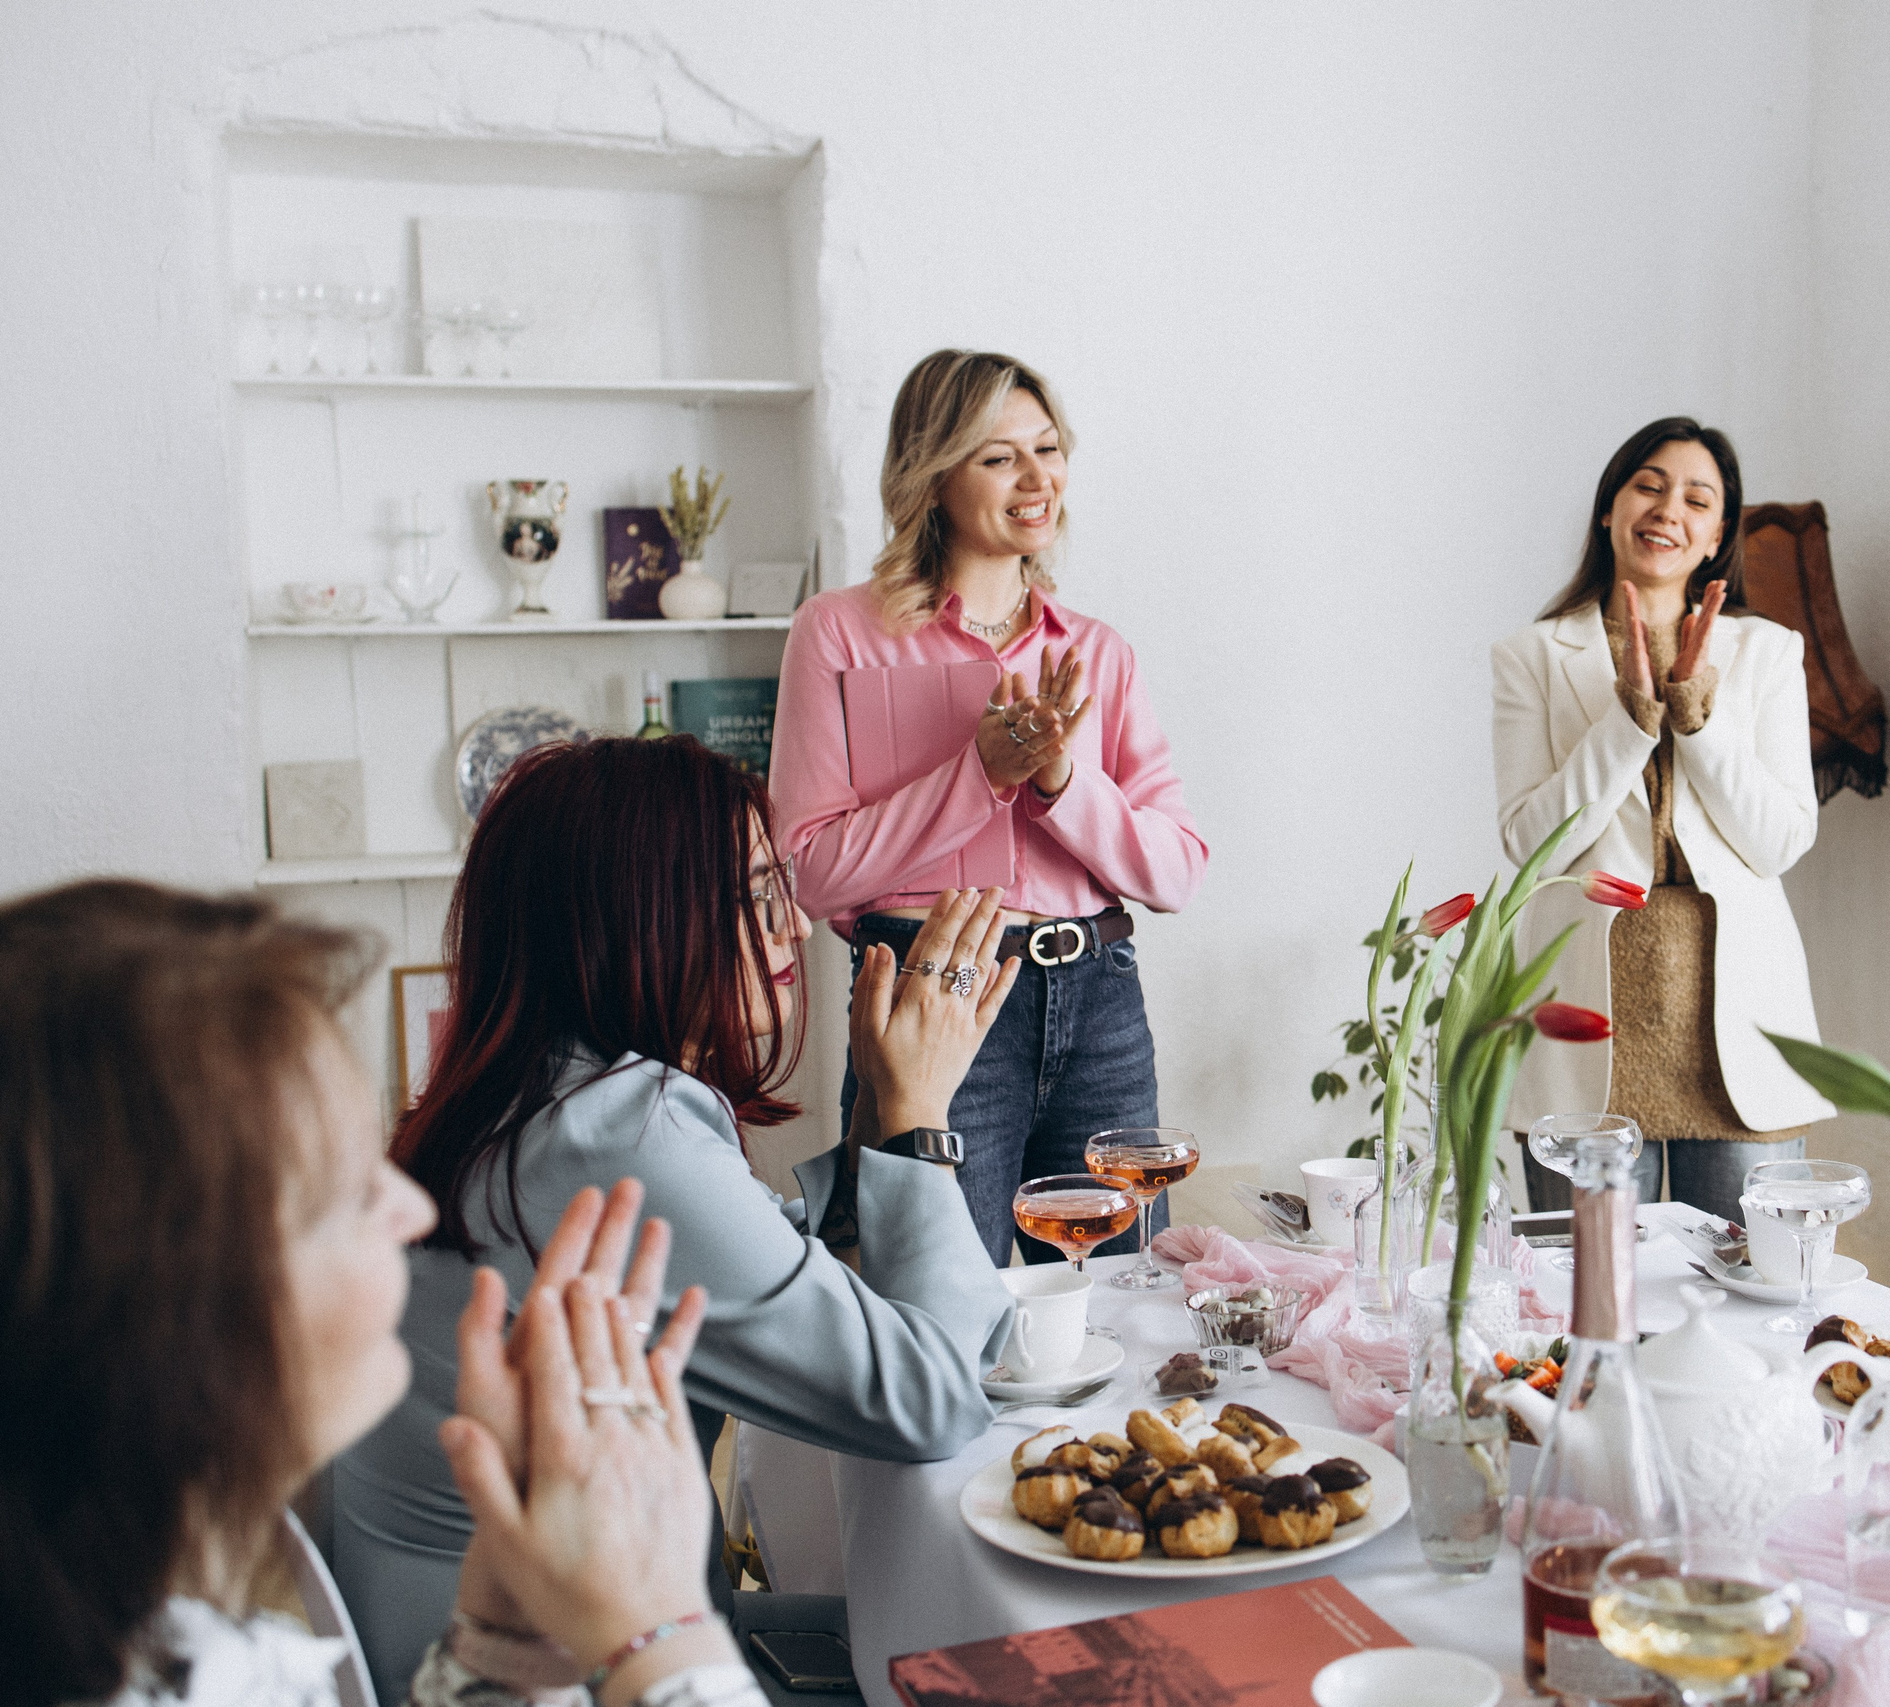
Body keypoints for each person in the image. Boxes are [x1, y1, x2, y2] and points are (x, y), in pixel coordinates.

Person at [335, 737, 1020, 1701]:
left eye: (777, 886)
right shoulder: (618, 1131)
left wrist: (873, 1125)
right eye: (746, 895)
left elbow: (762, 1271)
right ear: (630, 919)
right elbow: (934, 1400)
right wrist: (916, 1120)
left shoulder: (529, 1098)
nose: (788, 929)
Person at [0, 879, 758, 1707]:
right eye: (353, 1192)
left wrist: (510, 1645)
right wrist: (660, 1634)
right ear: (174, 1319)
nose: (414, 1207)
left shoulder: (131, 1634)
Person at [769, 348, 1209, 1265]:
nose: (1037, 477)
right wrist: (979, 769)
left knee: (1119, 1305)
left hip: (1099, 1003)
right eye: (999, 456)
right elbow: (808, 869)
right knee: (944, 1310)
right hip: (933, 996)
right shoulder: (840, 633)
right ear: (933, 476)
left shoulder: (1100, 653)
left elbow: (1175, 869)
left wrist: (1058, 782)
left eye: (1048, 449)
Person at [1492, 417, 1835, 1222]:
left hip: (1740, 1023)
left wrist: (1694, 713)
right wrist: (1630, 719)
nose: (1667, 508)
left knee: (1752, 1295)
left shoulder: (1767, 652)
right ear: (1609, 509)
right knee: (1594, 1301)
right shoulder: (1532, 656)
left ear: (1719, 534)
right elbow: (1529, 840)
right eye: (1648, 484)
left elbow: (1779, 839)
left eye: (1696, 496)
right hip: (1589, 1021)